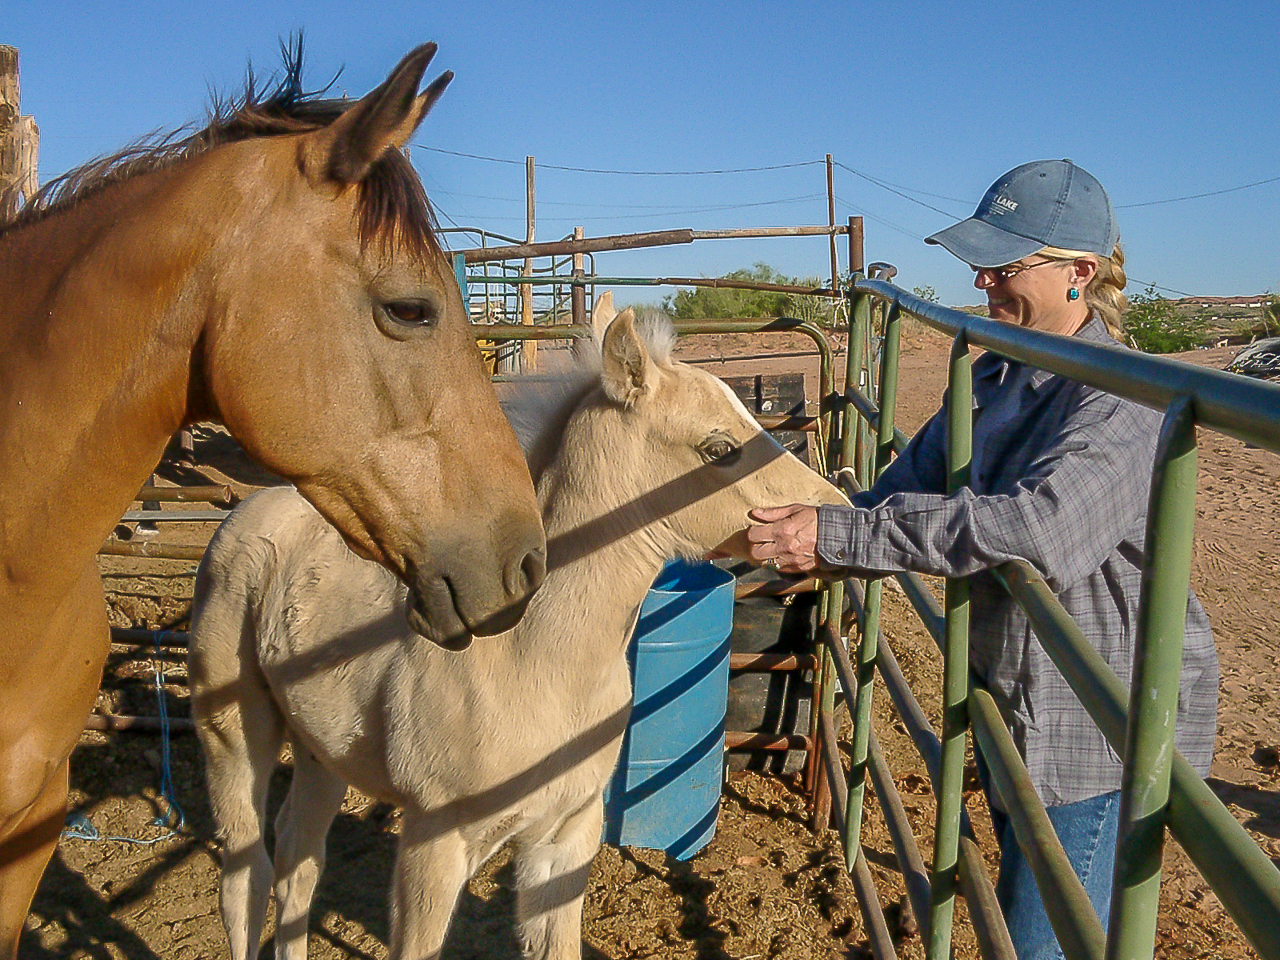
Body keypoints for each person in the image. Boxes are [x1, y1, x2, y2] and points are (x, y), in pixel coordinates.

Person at [745, 159, 1218, 959]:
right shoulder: (997, 370)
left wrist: (836, 539)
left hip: (1097, 725)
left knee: (1046, 944)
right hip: (1017, 695)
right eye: (981, 261)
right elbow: (902, 489)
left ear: (1081, 273)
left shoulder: (1124, 396)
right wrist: (798, 527)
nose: (984, 280)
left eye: (1008, 264)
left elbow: (1045, 533)